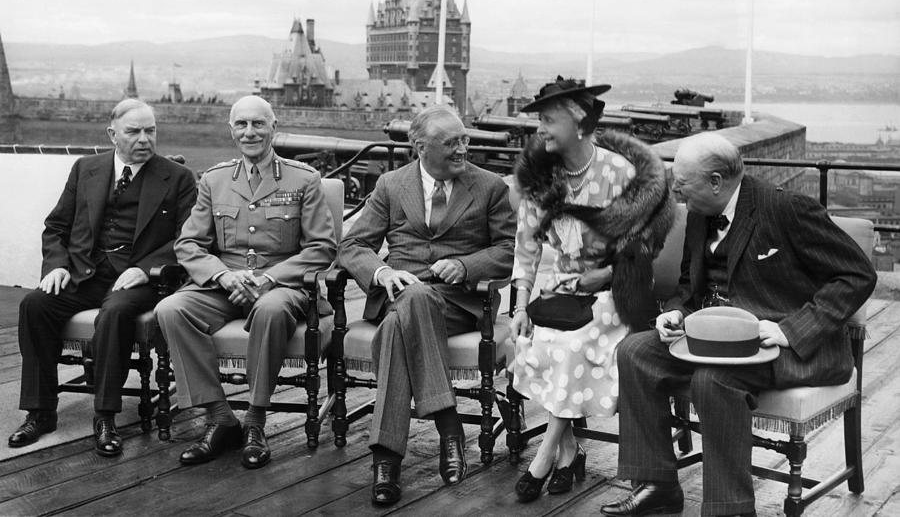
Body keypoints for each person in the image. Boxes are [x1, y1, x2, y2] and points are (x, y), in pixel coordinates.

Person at [601, 132, 877, 517]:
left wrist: (790, 330)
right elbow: (687, 283)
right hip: (712, 338)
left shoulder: (787, 209)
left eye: (683, 185)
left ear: (717, 181)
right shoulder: (700, 212)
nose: (678, 196)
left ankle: (729, 509)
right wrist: (677, 310)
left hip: (780, 343)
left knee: (712, 379)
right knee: (634, 352)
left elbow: (857, 275)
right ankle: (657, 484)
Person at [338, 104, 516, 507]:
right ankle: (448, 425)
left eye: (464, 139)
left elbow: (506, 251)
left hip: (457, 303)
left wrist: (466, 265)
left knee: (401, 323)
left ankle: (386, 461)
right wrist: (382, 273)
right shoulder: (390, 185)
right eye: (451, 142)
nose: (463, 148)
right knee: (412, 301)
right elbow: (352, 245)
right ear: (420, 147)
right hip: (400, 293)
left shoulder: (490, 187)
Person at [508, 76, 673, 502]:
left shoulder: (620, 173)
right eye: (539, 120)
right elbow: (526, 249)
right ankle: (570, 454)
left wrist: (603, 277)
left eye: (548, 120)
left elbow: (644, 244)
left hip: (618, 291)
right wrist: (521, 304)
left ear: (579, 124)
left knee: (574, 344)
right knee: (535, 339)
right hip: (562, 292)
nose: (540, 129)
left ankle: (544, 457)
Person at [155, 95, 336, 469]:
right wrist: (222, 274)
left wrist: (268, 278)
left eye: (258, 124)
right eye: (241, 125)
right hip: (226, 285)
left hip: (282, 286)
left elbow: (322, 247)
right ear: (231, 131)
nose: (249, 132)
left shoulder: (304, 179)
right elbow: (188, 243)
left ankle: (254, 420)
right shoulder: (215, 179)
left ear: (274, 127)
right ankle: (221, 418)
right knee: (171, 309)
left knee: (270, 310)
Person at [8, 99, 197, 456]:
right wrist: (58, 267)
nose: (144, 139)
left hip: (139, 279)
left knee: (115, 313)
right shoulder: (86, 169)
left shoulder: (178, 177)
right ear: (112, 134)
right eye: (134, 132)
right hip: (83, 274)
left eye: (150, 130)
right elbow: (56, 227)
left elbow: (189, 238)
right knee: (35, 304)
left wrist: (144, 269)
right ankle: (40, 412)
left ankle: (105, 415)